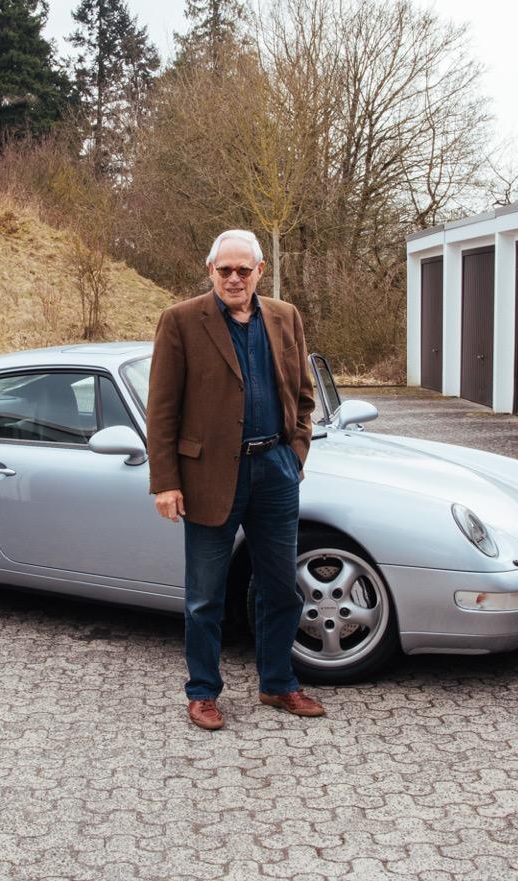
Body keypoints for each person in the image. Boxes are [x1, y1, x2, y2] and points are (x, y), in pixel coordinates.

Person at [145, 228, 326, 731]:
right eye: (224, 270)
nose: (234, 278)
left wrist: (296, 454)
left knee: (280, 589)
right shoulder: (181, 321)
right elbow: (161, 409)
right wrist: (165, 481)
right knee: (206, 595)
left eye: (243, 270)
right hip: (208, 476)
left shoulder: (285, 317)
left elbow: (303, 396)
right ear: (210, 271)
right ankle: (202, 692)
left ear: (259, 271)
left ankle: (278, 683)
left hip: (274, 470)